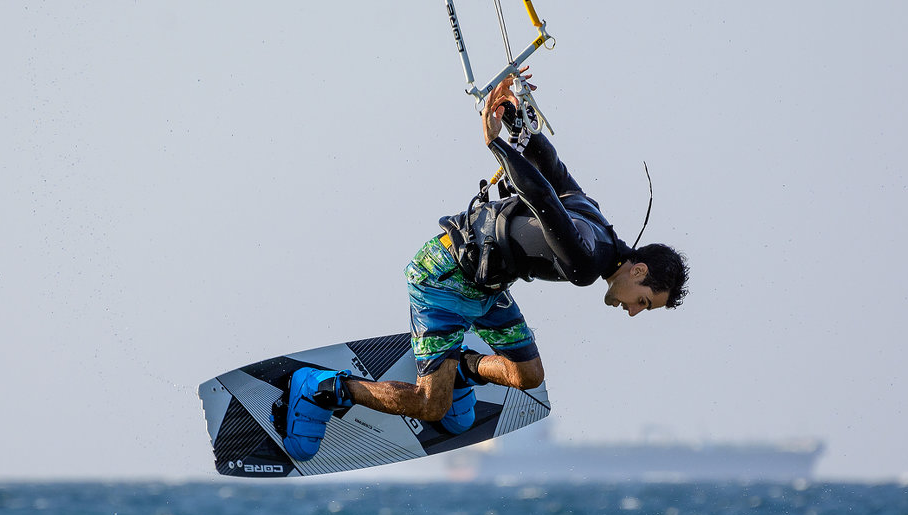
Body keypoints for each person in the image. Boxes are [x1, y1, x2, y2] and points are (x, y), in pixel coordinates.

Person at [272, 75, 689, 461]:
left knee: (528, 377)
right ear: (637, 271)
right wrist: (499, 143)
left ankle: (462, 366)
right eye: (644, 303)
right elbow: (542, 195)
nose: (634, 311)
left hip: (488, 288)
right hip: (444, 276)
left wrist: (516, 118)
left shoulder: (597, 222)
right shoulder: (586, 262)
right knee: (431, 406)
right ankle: (322, 389)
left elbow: (552, 166)